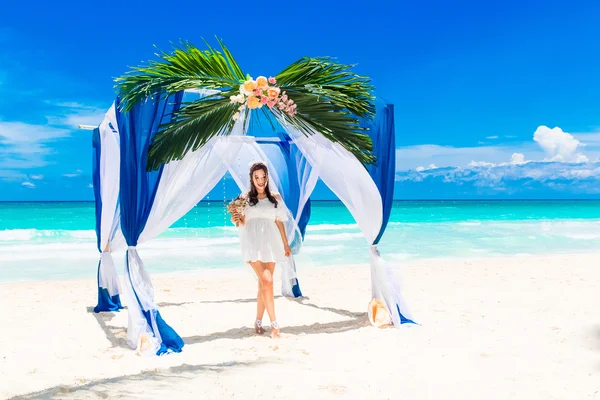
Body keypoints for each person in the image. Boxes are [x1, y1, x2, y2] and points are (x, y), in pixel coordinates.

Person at [231, 162, 292, 339]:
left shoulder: (275, 198)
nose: (260, 180)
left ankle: (258, 322)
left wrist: (286, 245)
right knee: (267, 280)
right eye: (257, 177)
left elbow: (279, 222)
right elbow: (241, 222)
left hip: (271, 244)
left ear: (267, 178)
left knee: (263, 285)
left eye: (263, 176)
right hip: (252, 243)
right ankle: (275, 325)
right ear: (252, 178)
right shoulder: (244, 198)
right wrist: (235, 217)